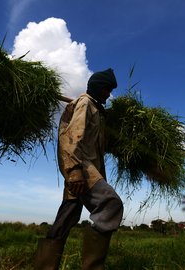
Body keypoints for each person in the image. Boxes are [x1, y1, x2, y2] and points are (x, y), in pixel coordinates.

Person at [35, 68, 124, 270]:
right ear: (97, 87)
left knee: (65, 220)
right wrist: (74, 172)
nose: (108, 94)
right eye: (106, 89)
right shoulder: (85, 103)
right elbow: (72, 137)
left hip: (86, 169)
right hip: (82, 169)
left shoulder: (96, 109)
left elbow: (98, 143)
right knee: (111, 204)